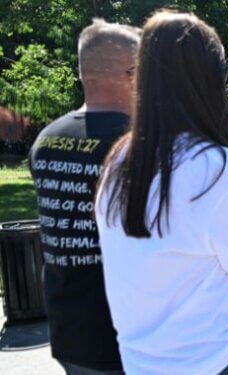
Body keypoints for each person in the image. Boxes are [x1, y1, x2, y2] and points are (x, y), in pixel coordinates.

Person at [93, 11, 228, 374]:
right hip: (219, 360)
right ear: (212, 80)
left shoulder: (118, 164)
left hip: (142, 363)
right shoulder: (223, 169)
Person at [27, 19, 139, 374]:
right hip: (123, 334)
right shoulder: (134, 143)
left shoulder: (46, 139)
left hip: (68, 328)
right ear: (130, 74)